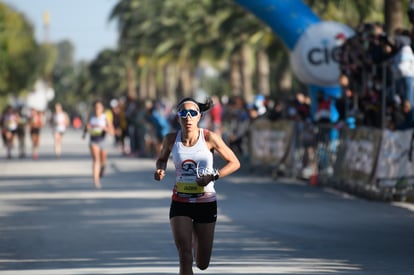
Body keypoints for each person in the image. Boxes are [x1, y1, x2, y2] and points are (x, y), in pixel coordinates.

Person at [154, 97, 240, 275]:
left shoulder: (209, 138)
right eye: (183, 113)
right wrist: (160, 170)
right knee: (185, 255)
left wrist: (213, 176)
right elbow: (162, 159)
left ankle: (195, 235)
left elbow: (234, 162)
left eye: (192, 113)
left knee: (202, 263)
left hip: (205, 203)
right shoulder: (170, 139)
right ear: (178, 117)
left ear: (199, 116)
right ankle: (188, 235)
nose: (188, 117)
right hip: (180, 202)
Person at [83, 100, 114, 189]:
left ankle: (102, 170)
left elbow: (112, 131)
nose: (97, 109)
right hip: (93, 140)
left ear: (102, 109)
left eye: (99, 108)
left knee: (103, 162)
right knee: (96, 159)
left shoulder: (105, 118)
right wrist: (86, 130)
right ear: (93, 108)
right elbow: (86, 128)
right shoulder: (91, 117)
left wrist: (104, 128)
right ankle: (96, 181)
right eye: (96, 108)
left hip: (103, 140)